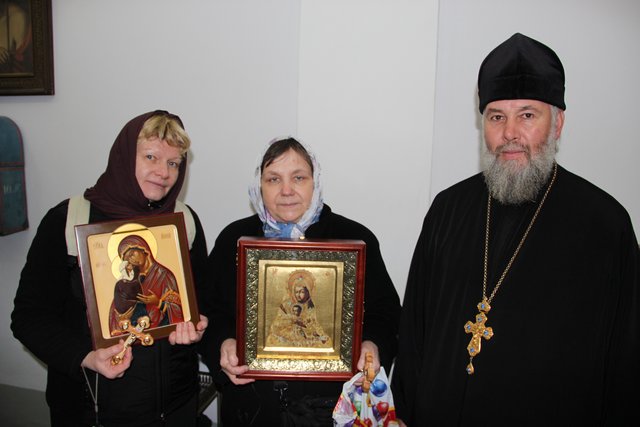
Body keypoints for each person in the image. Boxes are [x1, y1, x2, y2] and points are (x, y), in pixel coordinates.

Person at [391, 33, 640, 426]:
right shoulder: (448, 210)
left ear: (557, 123)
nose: (509, 133)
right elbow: (414, 334)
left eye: (527, 115)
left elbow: (626, 362)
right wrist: (403, 413)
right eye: (496, 117)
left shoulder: (605, 225)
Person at [11, 110, 209, 426]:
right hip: (90, 408)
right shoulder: (68, 220)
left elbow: (200, 300)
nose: (163, 172)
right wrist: (86, 357)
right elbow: (29, 318)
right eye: (151, 157)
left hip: (175, 407)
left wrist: (194, 323)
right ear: (124, 156)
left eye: (173, 163)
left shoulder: (183, 222)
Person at [199, 137, 401, 426]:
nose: (286, 190)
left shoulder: (355, 239)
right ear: (259, 184)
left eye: (298, 178)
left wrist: (373, 344)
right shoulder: (234, 238)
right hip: (251, 407)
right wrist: (223, 343)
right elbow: (208, 311)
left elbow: (386, 313)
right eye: (273, 179)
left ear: (314, 181)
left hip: (329, 408)